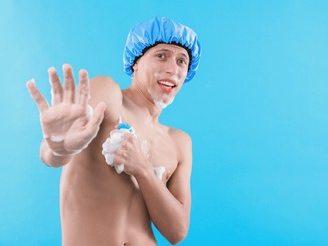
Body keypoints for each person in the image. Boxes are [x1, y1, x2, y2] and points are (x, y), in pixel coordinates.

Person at [26, 16, 201, 245]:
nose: (172, 69)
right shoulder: (109, 96)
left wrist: (144, 171)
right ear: (136, 62)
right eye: (161, 55)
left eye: (181, 61)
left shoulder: (179, 142)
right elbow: (53, 155)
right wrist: (58, 146)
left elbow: (177, 232)